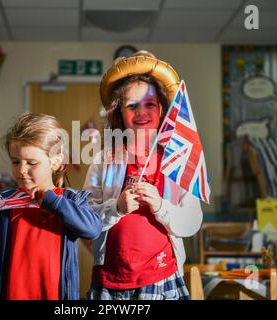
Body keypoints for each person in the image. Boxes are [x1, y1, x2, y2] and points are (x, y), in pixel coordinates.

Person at [84, 51, 203, 300]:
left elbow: (192, 221)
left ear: (161, 110)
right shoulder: (104, 160)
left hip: (162, 276)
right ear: (120, 113)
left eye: (149, 104)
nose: (141, 112)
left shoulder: (177, 159)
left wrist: (160, 206)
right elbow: (86, 218)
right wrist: (116, 207)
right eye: (132, 106)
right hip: (111, 280)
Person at [0, 113, 102, 300]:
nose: (21, 170)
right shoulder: (2, 203)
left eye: (32, 163)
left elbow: (92, 229)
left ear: (55, 160)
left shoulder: (70, 200)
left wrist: (52, 202)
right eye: (15, 161)